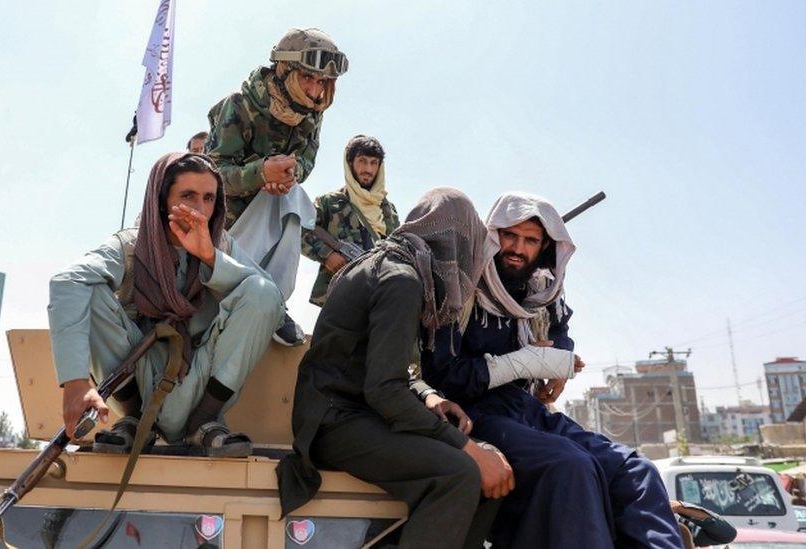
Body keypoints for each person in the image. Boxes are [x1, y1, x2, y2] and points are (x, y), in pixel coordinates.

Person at [420, 192, 683, 549]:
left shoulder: (542, 288)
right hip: (474, 412)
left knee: (637, 472)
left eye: (531, 241)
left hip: (528, 410)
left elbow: (560, 333)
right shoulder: (462, 286)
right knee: (571, 466)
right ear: (493, 236)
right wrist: (523, 361)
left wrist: (558, 363)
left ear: (543, 246)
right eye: (510, 236)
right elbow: (445, 373)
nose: (518, 248)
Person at [278, 188, 514, 548]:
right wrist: (466, 447)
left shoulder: (393, 265)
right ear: (455, 242)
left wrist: (429, 396)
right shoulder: (402, 280)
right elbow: (384, 391)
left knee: (490, 467)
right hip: (333, 422)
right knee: (460, 473)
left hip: (353, 414)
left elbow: (385, 368)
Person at [48, 152, 284, 457]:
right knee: (88, 288)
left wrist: (210, 258)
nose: (200, 209)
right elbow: (67, 282)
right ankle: (132, 422)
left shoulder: (221, 245)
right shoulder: (131, 246)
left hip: (201, 376)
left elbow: (272, 302)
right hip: (138, 373)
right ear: (162, 200)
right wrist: (76, 383)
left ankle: (205, 423)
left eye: (209, 198)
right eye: (188, 196)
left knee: (261, 291)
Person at [205, 27, 348, 346]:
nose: (314, 89)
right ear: (285, 70)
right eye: (307, 78)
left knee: (294, 198)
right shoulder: (240, 106)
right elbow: (210, 177)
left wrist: (290, 172)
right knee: (292, 198)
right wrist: (261, 173)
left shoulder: (311, 113)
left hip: (269, 219)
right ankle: (249, 293)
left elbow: (307, 159)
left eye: (322, 82)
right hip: (224, 233)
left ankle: (273, 302)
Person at [301, 135, 399, 306]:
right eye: (362, 161)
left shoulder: (388, 211)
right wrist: (328, 255)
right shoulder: (329, 203)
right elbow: (300, 229)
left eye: (373, 163)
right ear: (350, 163)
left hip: (379, 299)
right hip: (339, 296)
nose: (368, 169)